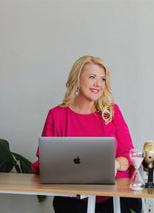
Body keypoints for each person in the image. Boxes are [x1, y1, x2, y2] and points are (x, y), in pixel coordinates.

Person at [31, 55, 142, 213]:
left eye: (103, 79)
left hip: (113, 195)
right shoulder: (56, 115)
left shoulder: (112, 113)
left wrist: (115, 164)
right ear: (77, 79)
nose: (98, 84)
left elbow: (128, 155)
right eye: (92, 77)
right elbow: (45, 161)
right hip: (72, 197)